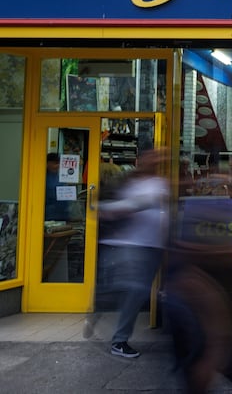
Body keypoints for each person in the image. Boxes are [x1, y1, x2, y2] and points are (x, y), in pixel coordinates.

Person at [85, 148, 170, 359]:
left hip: (153, 245)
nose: (157, 161)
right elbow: (111, 207)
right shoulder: (127, 181)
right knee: (136, 290)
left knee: (134, 289)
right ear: (140, 160)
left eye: (159, 158)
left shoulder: (160, 182)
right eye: (153, 157)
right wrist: (133, 205)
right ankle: (119, 340)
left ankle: (101, 308)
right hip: (130, 244)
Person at [44, 153, 70, 221]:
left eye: (58, 163)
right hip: (50, 215)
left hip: (63, 214)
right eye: (55, 163)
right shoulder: (43, 178)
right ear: (47, 163)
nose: (57, 166)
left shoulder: (61, 176)